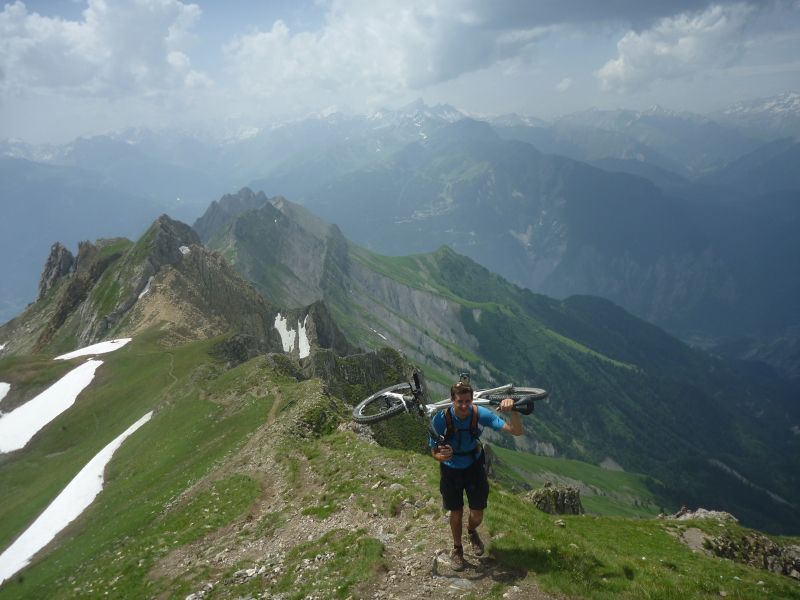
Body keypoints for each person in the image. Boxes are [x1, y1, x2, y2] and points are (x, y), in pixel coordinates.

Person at [430, 380, 524, 570]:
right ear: (452, 400)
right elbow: (434, 452)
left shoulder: (480, 414)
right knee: (456, 512)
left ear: (472, 399)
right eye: (459, 401)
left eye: (467, 401)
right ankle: (457, 549)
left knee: (478, 514)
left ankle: (472, 531)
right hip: (450, 469)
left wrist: (513, 409)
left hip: (474, 466)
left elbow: (517, 431)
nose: (464, 406)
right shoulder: (440, 419)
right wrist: (441, 456)